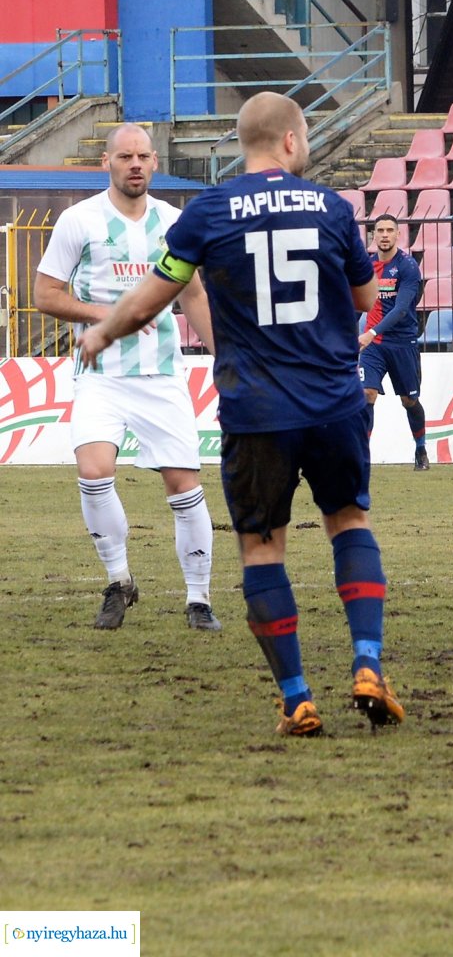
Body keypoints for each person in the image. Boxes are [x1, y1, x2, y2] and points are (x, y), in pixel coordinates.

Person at [78, 93, 404, 737]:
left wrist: (102, 332)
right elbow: (368, 296)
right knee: (348, 521)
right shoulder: (334, 209)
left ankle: (296, 698)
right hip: (335, 400)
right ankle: (368, 663)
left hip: (256, 408)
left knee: (261, 548)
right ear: (290, 141)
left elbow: (150, 301)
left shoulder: (207, 214)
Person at [33, 122, 222, 632]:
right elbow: (45, 294)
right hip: (101, 373)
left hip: (161, 373)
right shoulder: (79, 220)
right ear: (107, 162)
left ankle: (199, 599)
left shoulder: (175, 223)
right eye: (124, 157)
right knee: (93, 473)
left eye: (142, 156)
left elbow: (195, 296)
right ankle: (119, 582)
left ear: (154, 163)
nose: (134, 164)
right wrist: (103, 316)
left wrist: (223, 356)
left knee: (184, 487)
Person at [358, 212, 428, 471]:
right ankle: (362, 457)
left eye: (390, 230)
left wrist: (371, 332)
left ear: (398, 234)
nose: (385, 235)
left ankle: (420, 449)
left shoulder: (408, 267)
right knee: (366, 393)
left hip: (402, 343)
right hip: (373, 346)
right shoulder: (366, 265)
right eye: (380, 230)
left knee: (409, 401)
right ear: (373, 235)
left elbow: (400, 309)